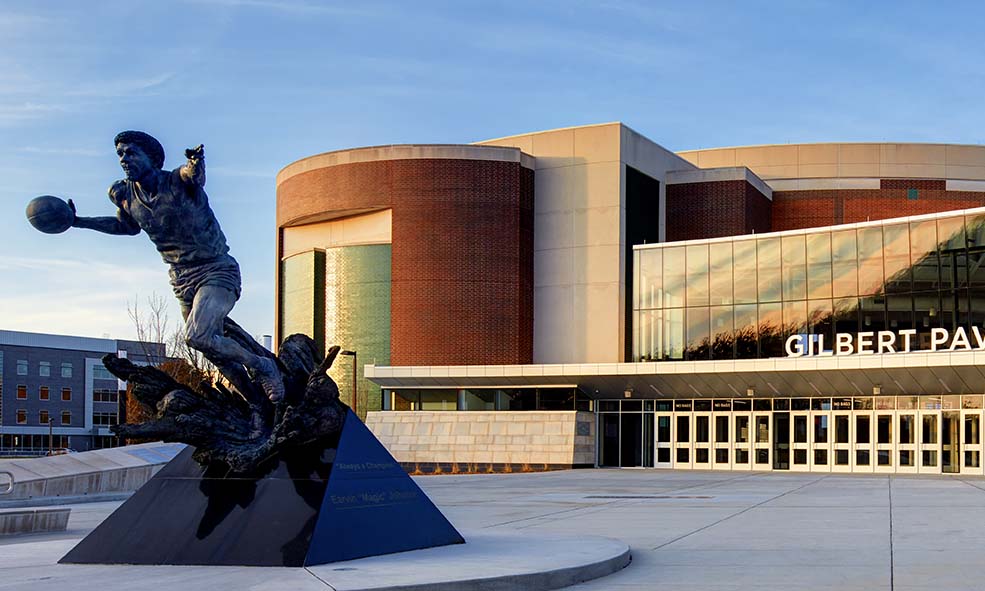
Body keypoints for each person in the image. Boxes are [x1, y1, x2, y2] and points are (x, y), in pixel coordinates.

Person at [69, 131, 284, 401]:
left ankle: (263, 365)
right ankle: (255, 402)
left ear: (152, 158)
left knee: (197, 336)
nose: (124, 159)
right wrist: (77, 221)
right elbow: (126, 226)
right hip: (181, 280)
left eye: (131, 152)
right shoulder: (123, 194)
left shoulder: (178, 180)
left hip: (216, 270)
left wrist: (196, 162)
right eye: (120, 154)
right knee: (213, 351)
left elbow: (193, 176)